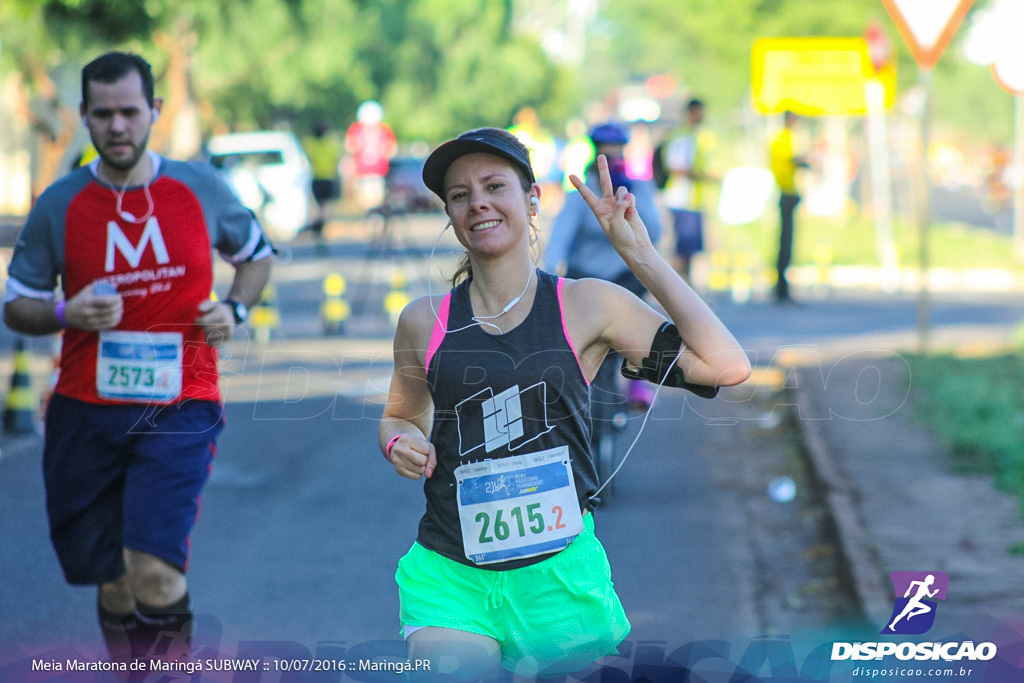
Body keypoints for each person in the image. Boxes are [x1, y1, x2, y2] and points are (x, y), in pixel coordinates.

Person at [379, 127, 750, 679]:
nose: (477, 200)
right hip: (450, 575)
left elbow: (725, 365)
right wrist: (398, 441)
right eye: (460, 194)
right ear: (452, 216)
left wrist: (642, 255)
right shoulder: (423, 321)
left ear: (532, 200)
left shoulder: (587, 305)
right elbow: (402, 415)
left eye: (494, 185)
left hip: (559, 578)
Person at [3, 51, 273, 668]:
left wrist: (235, 311)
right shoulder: (60, 202)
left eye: (130, 111)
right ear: (84, 117)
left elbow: (257, 256)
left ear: (154, 110)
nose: (117, 126)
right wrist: (67, 313)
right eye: (103, 115)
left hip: (181, 402)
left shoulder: (199, 187)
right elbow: (18, 304)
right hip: (84, 408)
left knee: (152, 568)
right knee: (114, 579)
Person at [542, 121, 663, 411]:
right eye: (605, 157)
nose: (611, 162)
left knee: (640, 319)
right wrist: (545, 276)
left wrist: (631, 200)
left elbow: (655, 232)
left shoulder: (639, 187)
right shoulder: (582, 192)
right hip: (585, 275)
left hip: (624, 276)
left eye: (617, 155)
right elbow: (560, 237)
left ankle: (637, 378)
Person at [661, 98, 714, 282]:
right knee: (682, 250)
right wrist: (703, 176)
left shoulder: (693, 134)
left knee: (689, 250)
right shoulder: (682, 136)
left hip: (691, 199)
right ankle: (675, 289)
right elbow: (676, 167)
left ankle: (684, 290)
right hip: (681, 198)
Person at [769, 110, 810, 304]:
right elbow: (792, 160)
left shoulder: (783, 138)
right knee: (785, 243)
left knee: (786, 243)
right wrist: (806, 162)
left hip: (788, 192)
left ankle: (782, 285)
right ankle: (780, 287)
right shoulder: (784, 139)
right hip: (786, 193)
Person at [303, 120, 343, 254]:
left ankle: (317, 227)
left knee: (318, 206)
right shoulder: (331, 144)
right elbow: (337, 158)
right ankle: (318, 226)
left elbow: (308, 158)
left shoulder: (310, 144)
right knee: (325, 207)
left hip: (316, 178)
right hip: (328, 178)